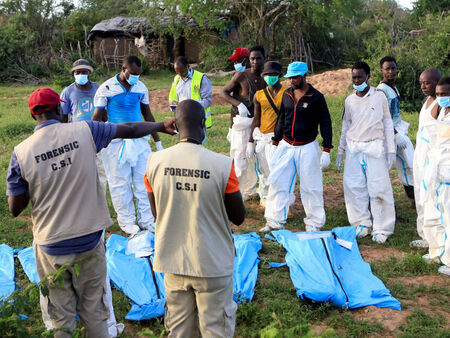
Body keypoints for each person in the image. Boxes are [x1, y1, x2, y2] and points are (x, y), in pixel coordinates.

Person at [6, 88, 176, 338]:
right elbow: (127, 128)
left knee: (61, 316)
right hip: (88, 240)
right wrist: (160, 125)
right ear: (60, 110)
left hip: (50, 245)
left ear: (33, 116)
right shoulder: (86, 131)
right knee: (94, 310)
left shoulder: (20, 153)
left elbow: (14, 208)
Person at [145, 99, 246, 337]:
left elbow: (157, 213)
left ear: (176, 125)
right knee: (215, 329)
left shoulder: (154, 162)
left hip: (173, 260)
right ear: (203, 123)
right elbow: (239, 217)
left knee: (179, 329)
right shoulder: (223, 165)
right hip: (212, 263)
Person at [54, 59, 123, 336]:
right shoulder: (67, 92)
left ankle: (96, 204)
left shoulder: (99, 89)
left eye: (85, 73)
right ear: (73, 74)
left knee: (99, 177)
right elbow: (62, 118)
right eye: (78, 73)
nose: (82, 76)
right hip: (73, 141)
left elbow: (102, 113)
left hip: (94, 137)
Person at [93, 55, 162, 235]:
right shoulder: (106, 88)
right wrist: (92, 143)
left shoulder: (141, 88)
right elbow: (97, 118)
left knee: (143, 180)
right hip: (115, 142)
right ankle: (126, 221)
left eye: (139, 74)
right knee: (119, 182)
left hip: (139, 141)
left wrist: (158, 142)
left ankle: (146, 219)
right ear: (123, 69)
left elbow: (148, 116)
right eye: (132, 74)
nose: (135, 77)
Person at [263, 61, 332, 232]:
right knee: (279, 182)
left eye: (295, 77)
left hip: (307, 147)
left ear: (304, 76)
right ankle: (274, 220)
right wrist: (275, 141)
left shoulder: (316, 98)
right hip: (287, 145)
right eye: (290, 78)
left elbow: (326, 123)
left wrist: (327, 149)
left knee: (311, 186)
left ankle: (314, 222)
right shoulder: (287, 94)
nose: (292, 81)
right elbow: (281, 118)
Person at [336, 61, 396, 243]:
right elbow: (346, 125)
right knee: (354, 187)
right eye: (354, 77)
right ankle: (361, 223)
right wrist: (341, 150)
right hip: (354, 148)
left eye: (360, 77)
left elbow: (387, 122)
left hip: (374, 147)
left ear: (368, 77)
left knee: (379, 187)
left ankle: (382, 227)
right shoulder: (349, 100)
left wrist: (391, 150)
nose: (356, 80)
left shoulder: (379, 97)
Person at [221, 45, 266, 199]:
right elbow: (224, 92)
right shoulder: (241, 76)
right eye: (252, 59)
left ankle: (250, 190)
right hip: (242, 124)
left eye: (258, 58)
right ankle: (234, 194)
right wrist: (238, 104)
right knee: (240, 159)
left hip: (259, 125)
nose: (255, 62)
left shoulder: (266, 78)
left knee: (257, 159)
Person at [420, 77, 450, 274]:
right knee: (436, 211)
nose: (441, 98)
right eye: (438, 95)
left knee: (449, 216)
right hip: (437, 171)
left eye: (445, 94)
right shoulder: (442, 113)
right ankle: (438, 251)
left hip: (447, 172)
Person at [247, 61, 286, 206]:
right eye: (268, 75)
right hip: (262, 138)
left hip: (279, 139)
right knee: (263, 170)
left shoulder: (286, 94)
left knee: (279, 171)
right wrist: (250, 141)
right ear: (263, 76)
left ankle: (280, 200)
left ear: (279, 75)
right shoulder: (259, 95)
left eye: (274, 74)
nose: (271, 77)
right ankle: (265, 197)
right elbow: (256, 118)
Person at [411, 68, 442, 249]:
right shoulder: (426, 101)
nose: (423, 86)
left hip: (432, 157)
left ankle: (435, 240)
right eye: (421, 82)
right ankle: (424, 235)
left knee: (431, 197)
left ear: (437, 82)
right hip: (420, 155)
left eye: (427, 82)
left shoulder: (441, 105)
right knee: (420, 195)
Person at [377, 56, 415, 202]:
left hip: (398, 129)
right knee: (385, 168)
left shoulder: (393, 86)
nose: (391, 71)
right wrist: (395, 135)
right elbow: (382, 117)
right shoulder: (381, 90)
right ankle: (380, 202)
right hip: (390, 134)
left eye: (393, 68)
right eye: (387, 69)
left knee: (407, 164)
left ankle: (414, 199)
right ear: (382, 70)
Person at [169, 56, 213, 128]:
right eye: (177, 71)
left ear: (188, 66)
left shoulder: (201, 78)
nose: (180, 74)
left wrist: (191, 108)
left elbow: (207, 100)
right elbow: (173, 97)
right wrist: (174, 104)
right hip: (183, 119)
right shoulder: (176, 79)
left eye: (182, 71)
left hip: (198, 120)